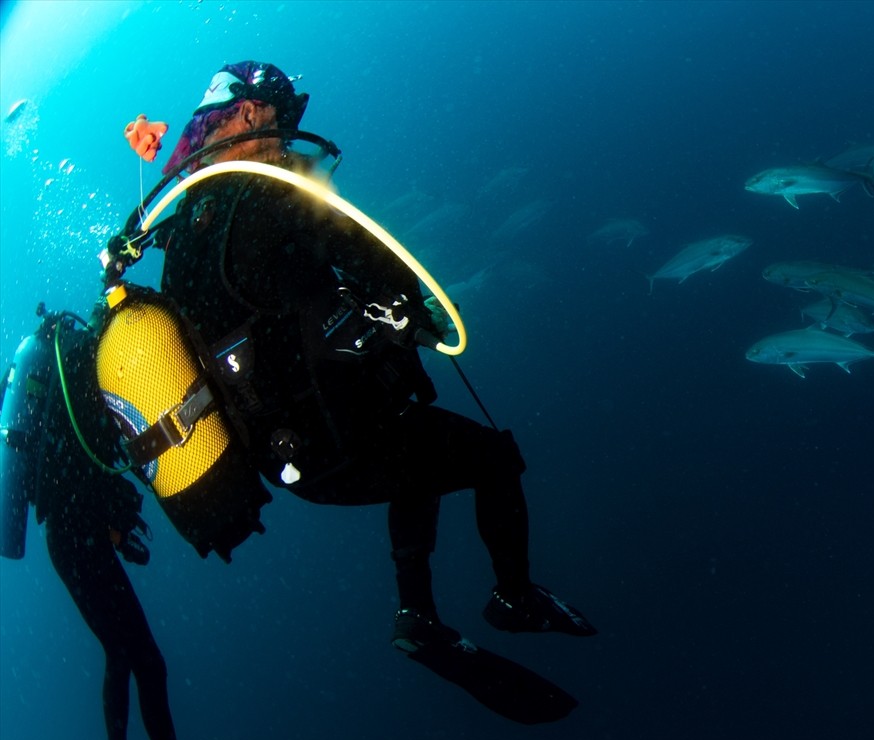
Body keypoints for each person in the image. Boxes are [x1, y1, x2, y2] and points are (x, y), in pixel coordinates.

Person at [152, 61, 596, 654]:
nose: (286, 138)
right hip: (343, 438)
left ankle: (417, 616)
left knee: (414, 447)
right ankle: (514, 597)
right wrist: (413, 316)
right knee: (496, 458)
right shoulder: (274, 193)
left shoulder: (182, 230)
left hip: (284, 456)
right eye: (281, 122)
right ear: (250, 113)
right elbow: (375, 260)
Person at [0, 309, 328, 740]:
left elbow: (82, 466)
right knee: (140, 658)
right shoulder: (77, 372)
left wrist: (117, 521)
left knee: (133, 657)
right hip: (76, 545)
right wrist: (116, 514)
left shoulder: (57, 386)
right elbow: (101, 456)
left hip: (74, 544)